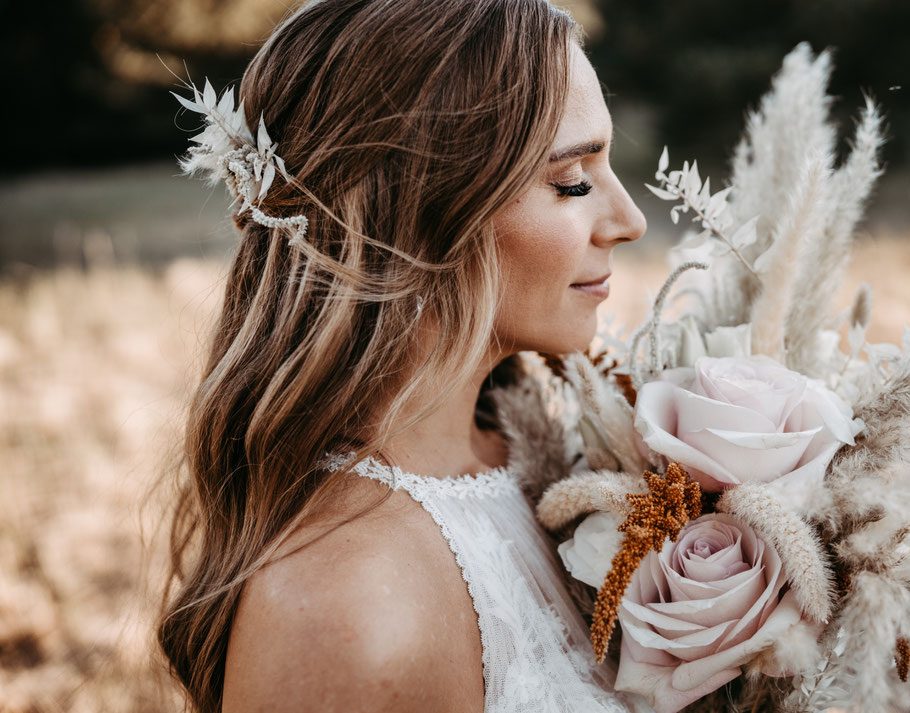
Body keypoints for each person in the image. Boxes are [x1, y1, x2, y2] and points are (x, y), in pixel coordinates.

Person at [158, 0, 648, 711]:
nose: (629, 221)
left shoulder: (560, 460)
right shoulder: (342, 609)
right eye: (570, 180)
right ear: (422, 207)